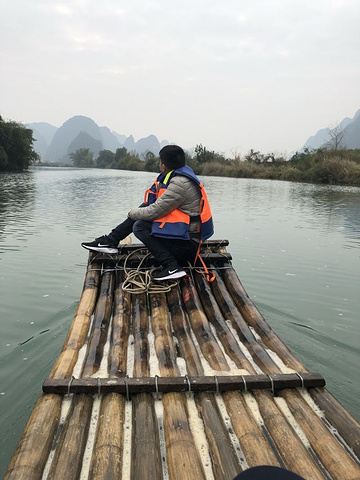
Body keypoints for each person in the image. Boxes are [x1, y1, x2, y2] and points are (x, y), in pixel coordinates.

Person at [81, 145, 214, 281]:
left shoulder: (180, 184)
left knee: (140, 226)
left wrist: (133, 212)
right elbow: (153, 206)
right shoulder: (178, 177)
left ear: (163, 165)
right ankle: (111, 241)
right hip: (184, 238)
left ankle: (172, 266)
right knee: (144, 208)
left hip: (187, 246)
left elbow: (154, 212)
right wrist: (138, 211)